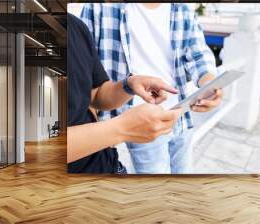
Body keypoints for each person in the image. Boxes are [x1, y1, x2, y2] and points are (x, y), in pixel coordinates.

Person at [80, 3, 223, 174]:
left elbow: (198, 54)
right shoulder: (98, 7)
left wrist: (209, 84)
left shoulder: (182, 8)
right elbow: (84, 68)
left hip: (180, 112)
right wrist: (100, 129)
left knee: (184, 175)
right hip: (142, 117)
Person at [67, 14, 182, 173]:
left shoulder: (75, 26)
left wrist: (129, 85)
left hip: (110, 166)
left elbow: (96, 94)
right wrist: (122, 129)